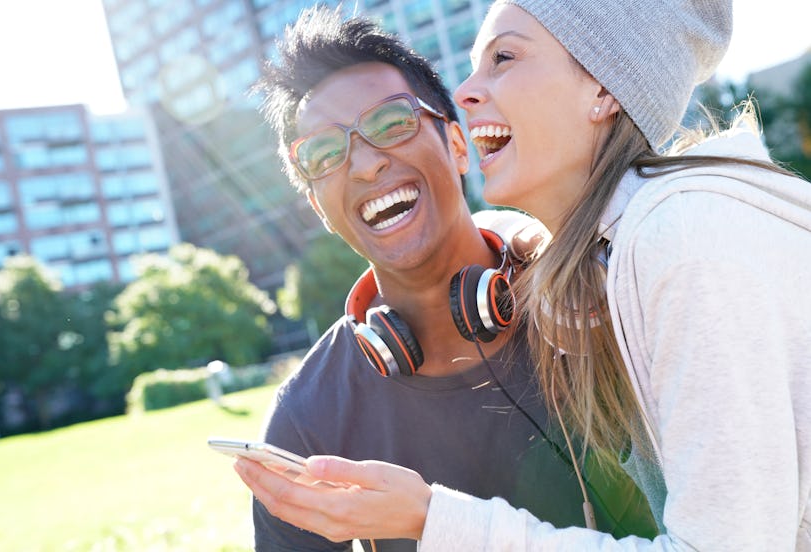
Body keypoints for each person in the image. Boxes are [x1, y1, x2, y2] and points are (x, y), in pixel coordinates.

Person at [234, 0, 811, 550]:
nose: (365, 163)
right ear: (315, 206)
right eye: (322, 156)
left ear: (458, 146)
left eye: (391, 124)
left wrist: (432, 521)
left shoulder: (623, 280)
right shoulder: (306, 419)